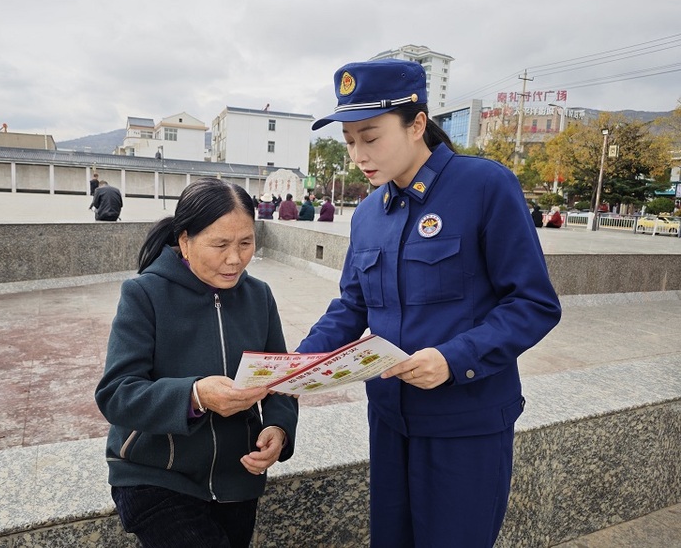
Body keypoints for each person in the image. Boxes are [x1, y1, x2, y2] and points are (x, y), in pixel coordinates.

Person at [299, 59, 561, 547]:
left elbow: (533, 302)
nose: (359, 154)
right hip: (390, 421)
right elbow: (351, 305)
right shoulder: (369, 214)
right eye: (350, 140)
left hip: (465, 426)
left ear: (417, 124)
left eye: (370, 137)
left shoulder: (484, 187)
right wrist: (299, 364)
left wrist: (452, 358)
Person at [95, 178, 298, 548]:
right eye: (219, 244)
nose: (235, 258)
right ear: (185, 241)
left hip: (237, 478)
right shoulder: (144, 294)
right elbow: (116, 394)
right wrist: (194, 396)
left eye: (246, 242)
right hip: (155, 475)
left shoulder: (259, 296)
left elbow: (280, 379)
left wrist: (280, 429)